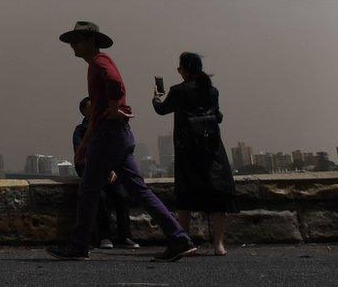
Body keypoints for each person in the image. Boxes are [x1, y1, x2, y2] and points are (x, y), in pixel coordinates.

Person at [47, 21, 196, 262]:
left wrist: (115, 107)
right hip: (117, 135)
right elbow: (96, 114)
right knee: (139, 190)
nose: (73, 45)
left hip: (109, 136)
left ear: (92, 42)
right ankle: (179, 238)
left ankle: (78, 246)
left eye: (78, 39)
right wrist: (85, 145)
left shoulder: (99, 62)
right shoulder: (96, 64)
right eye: (72, 40)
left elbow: (115, 82)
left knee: (88, 191)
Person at [154, 52, 237, 256]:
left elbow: (162, 110)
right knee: (218, 194)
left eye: (179, 67)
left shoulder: (178, 91)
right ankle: (219, 245)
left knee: (186, 196)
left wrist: (156, 97)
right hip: (212, 148)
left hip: (188, 148)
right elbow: (217, 116)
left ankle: (185, 242)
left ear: (184, 69)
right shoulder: (212, 90)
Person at [73, 97, 139, 250]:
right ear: (84, 111)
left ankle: (125, 236)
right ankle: (105, 236)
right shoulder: (80, 130)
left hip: (110, 171)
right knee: (100, 197)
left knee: (121, 195)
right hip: (92, 170)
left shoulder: (106, 125)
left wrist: (113, 169)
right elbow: (82, 155)